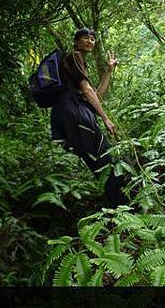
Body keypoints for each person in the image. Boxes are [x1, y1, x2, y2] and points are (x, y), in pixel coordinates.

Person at [50, 27, 127, 208]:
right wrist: (106, 119)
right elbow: (87, 91)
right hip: (73, 114)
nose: (90, 41)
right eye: (86, 37)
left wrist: (108, 70)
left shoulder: (79, 64)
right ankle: (124, 209)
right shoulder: (74, 57)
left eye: (93, 38)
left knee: (100, 163)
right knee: (105, 161)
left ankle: (118, 209)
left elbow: (95, 96)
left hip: (74, 114)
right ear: (76, 42)